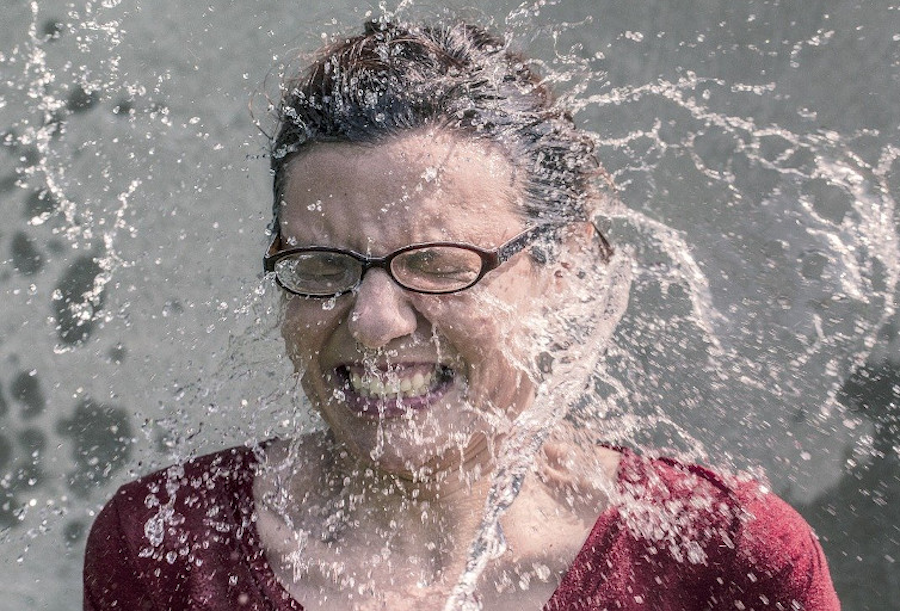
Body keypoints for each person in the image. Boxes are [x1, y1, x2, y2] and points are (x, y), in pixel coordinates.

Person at [83, 20, 840, 611]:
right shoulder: (164, 544)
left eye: (439, 264)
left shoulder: (726, 557)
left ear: (566, 268)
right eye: (322, 267)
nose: (374, 321)